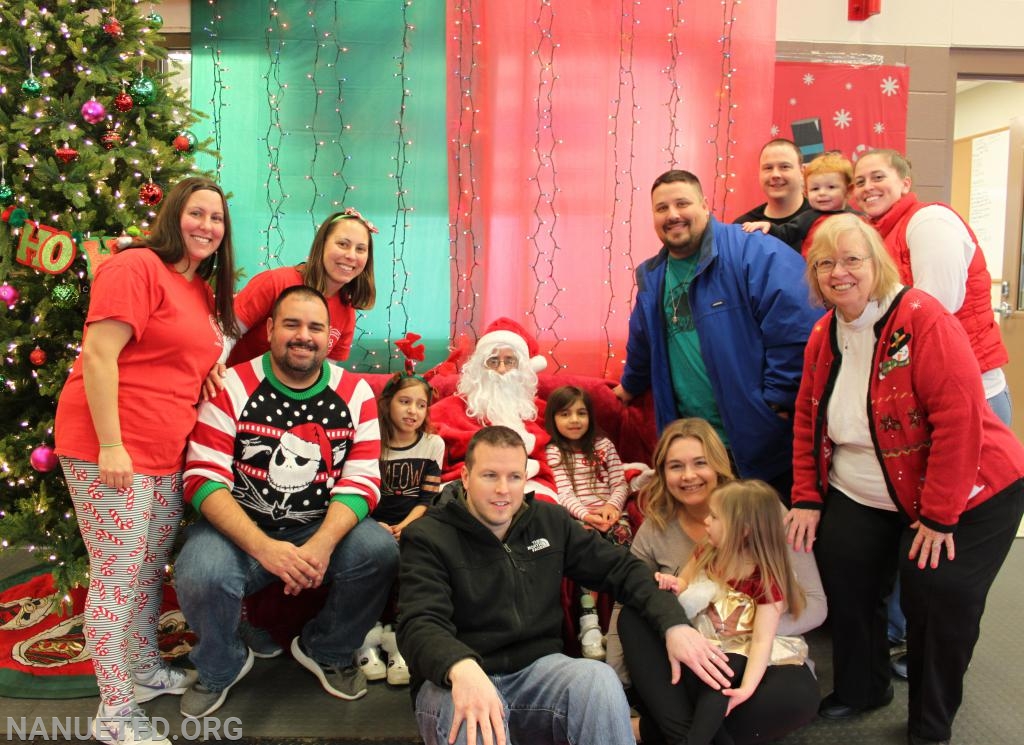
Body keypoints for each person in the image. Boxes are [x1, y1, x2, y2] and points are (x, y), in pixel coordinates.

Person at [785, 213, 1024, 745]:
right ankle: (864, 687)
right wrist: (806, 496)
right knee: (844, 571)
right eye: (825, 263)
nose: (839, 272)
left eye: (852, 259)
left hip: (970, 488)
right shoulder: (825, 332)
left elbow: (960, 419)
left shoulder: (921, 317)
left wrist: (940, 517)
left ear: (879, 263)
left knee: (936, 596)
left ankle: (930, 725)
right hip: (867, 486)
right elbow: (808, 415)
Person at [397, 425, 735, 745]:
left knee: (597, 681)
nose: (503, 489)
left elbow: (622, 569)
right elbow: (419, 624)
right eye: (490, 476)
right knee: (471, 718)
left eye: (514, 476)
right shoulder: (428, 536)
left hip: (538, 675)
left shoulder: (548, 521)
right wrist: (459, 667)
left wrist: (674, 625)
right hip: (455, 681)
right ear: (466, 478)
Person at [54, 176, 239, 745]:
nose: (206, 225)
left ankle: (138, 671)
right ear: (172, 215)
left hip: (165, 453)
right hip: (109, 448)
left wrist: (203, 370)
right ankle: (114, 713)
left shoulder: (199, 290)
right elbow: (101, 355)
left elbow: (175, 351)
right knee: (115, 577)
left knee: (143, 573)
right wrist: (112, 446)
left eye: (217, 218)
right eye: (196, 213)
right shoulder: (133, 267)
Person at [175, 286, 399, 718]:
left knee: (378, 550)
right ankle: (221, 666)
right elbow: (203, 479)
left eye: (315, 327)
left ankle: (326, 648)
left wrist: (320, 547)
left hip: (318, 526)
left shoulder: (355, 393)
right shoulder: (232, 386)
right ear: (272, 329)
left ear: (329, 337)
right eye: (292, 324)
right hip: (240, 531)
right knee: (200, 570)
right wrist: (266, 549)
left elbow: (363, 481)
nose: (304, 336)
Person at [612, 418, 825, 745]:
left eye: (700, 463)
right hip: (689, 653)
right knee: (633, 616)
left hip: (761, 655)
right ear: (662, 473)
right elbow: (632, 596)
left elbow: (816, 604)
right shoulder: (656, 529)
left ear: (718, 465)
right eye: (675, 466)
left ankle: (651, 733)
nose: (688, 476)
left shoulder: (762, 511)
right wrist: (617, 679)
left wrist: (747, 633)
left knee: (794, 698)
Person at [612, 169, 822, 501]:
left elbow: (800, 328)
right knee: (708, 542)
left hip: (757, 441)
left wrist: (777, 399)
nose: (673, 215)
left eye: (682, 203)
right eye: (662, 208)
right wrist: (629, 386)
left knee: (761, 544)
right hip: (696, 449)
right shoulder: (653, 276)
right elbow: (643, 340)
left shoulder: (753, 252)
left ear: (705, 205)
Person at [852, 148, 1011, 424]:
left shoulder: (930, 221)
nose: (868, 187)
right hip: (922, 390)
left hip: (969, 391)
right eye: (860, 182)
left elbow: (933, 311)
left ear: (905, 183)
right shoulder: (876, 237)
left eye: (878, 177)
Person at [653, 479, 807, 745]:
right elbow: (685, 584)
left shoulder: (766, 580)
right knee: (705, 675)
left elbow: (760, 641)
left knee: (721, 678)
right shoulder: (707, 550)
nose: (706, 522)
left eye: (714, 516)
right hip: (702, 637)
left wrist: (746, 688)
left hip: (739, 648)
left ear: (743, 530)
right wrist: (672, 584)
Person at [356, 371, 444, 687]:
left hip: (415, 521)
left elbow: (427, 497)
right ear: (387, 404)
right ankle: (365, 638)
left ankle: (398, 641)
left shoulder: (433, 444)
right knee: (373, 556)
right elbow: (359, 488)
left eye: (421, 405)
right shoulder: (371, 441)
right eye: (405, 402)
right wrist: (372, 524)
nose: (413, 411)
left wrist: (406, 526)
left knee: (414, 561)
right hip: (370, 520)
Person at [222, 207, 376, 369]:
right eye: (342, 244)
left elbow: (323, 372)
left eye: (360, 249)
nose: (351, 255)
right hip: (235, 387)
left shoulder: (347, 313)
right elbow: (225, 335)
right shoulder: (274, 282)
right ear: (321, 245)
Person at [544, 385, 632, 660]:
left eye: (581, 413)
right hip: (580, 518)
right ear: (553, 419)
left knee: (622, 540)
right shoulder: (554, 452)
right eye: (565, 413)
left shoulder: (603, 446)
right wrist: (587, 515)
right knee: (583, 548)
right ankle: (589, 621)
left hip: (611, 514)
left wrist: (611, 507)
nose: (574, 420)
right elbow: (564, 493)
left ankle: (621, 617)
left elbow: (620, 483)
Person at [431, 317, 557, 498]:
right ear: (479, 367)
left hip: (527, 482)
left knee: (544, 511)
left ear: (522, 368)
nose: (502, 369)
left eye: (510, 361)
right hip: (468, 482)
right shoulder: (449, 408)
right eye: (493, 361)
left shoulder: (539, 412)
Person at [742, 152, 857, 255]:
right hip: (814, 274)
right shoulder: (808, 217)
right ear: (806, 192)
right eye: (815, 189)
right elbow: (784, 233)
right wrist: (769, 226)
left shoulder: (858, 219)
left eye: (831, 187)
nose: (822, 193)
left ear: (849, 190)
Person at [731, 138, 812, 226]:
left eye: (784, 167)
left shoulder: (822, 221)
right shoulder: (743, 226)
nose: (775, 175)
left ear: (802, 172)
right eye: (768, 168)